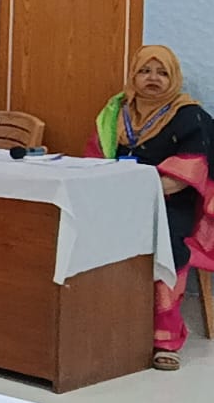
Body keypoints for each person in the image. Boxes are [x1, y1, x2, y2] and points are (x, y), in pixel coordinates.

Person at [86, 45, 214, 371]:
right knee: (84, 230)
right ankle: (105, 325)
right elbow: (95, 160)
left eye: (162, 73)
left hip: (170, 202)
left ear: (174, 78)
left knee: (166, 242)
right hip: (119, 200)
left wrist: (140, 192)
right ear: (133, 75)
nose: (153, 78)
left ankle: (165, 340)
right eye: (145, 71)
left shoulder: (189, 115)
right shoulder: (116, 112)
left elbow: (188, 173)